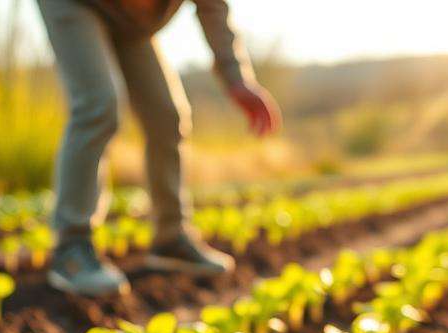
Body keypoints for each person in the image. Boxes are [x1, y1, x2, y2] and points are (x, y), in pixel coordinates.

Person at [37, 0, 282, 297]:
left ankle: (171, 237)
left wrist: (237, 78)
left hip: (131, 22)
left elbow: (213, 7)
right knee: (99, 106)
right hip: (76, 4)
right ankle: (71, 247)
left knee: (167, 117)